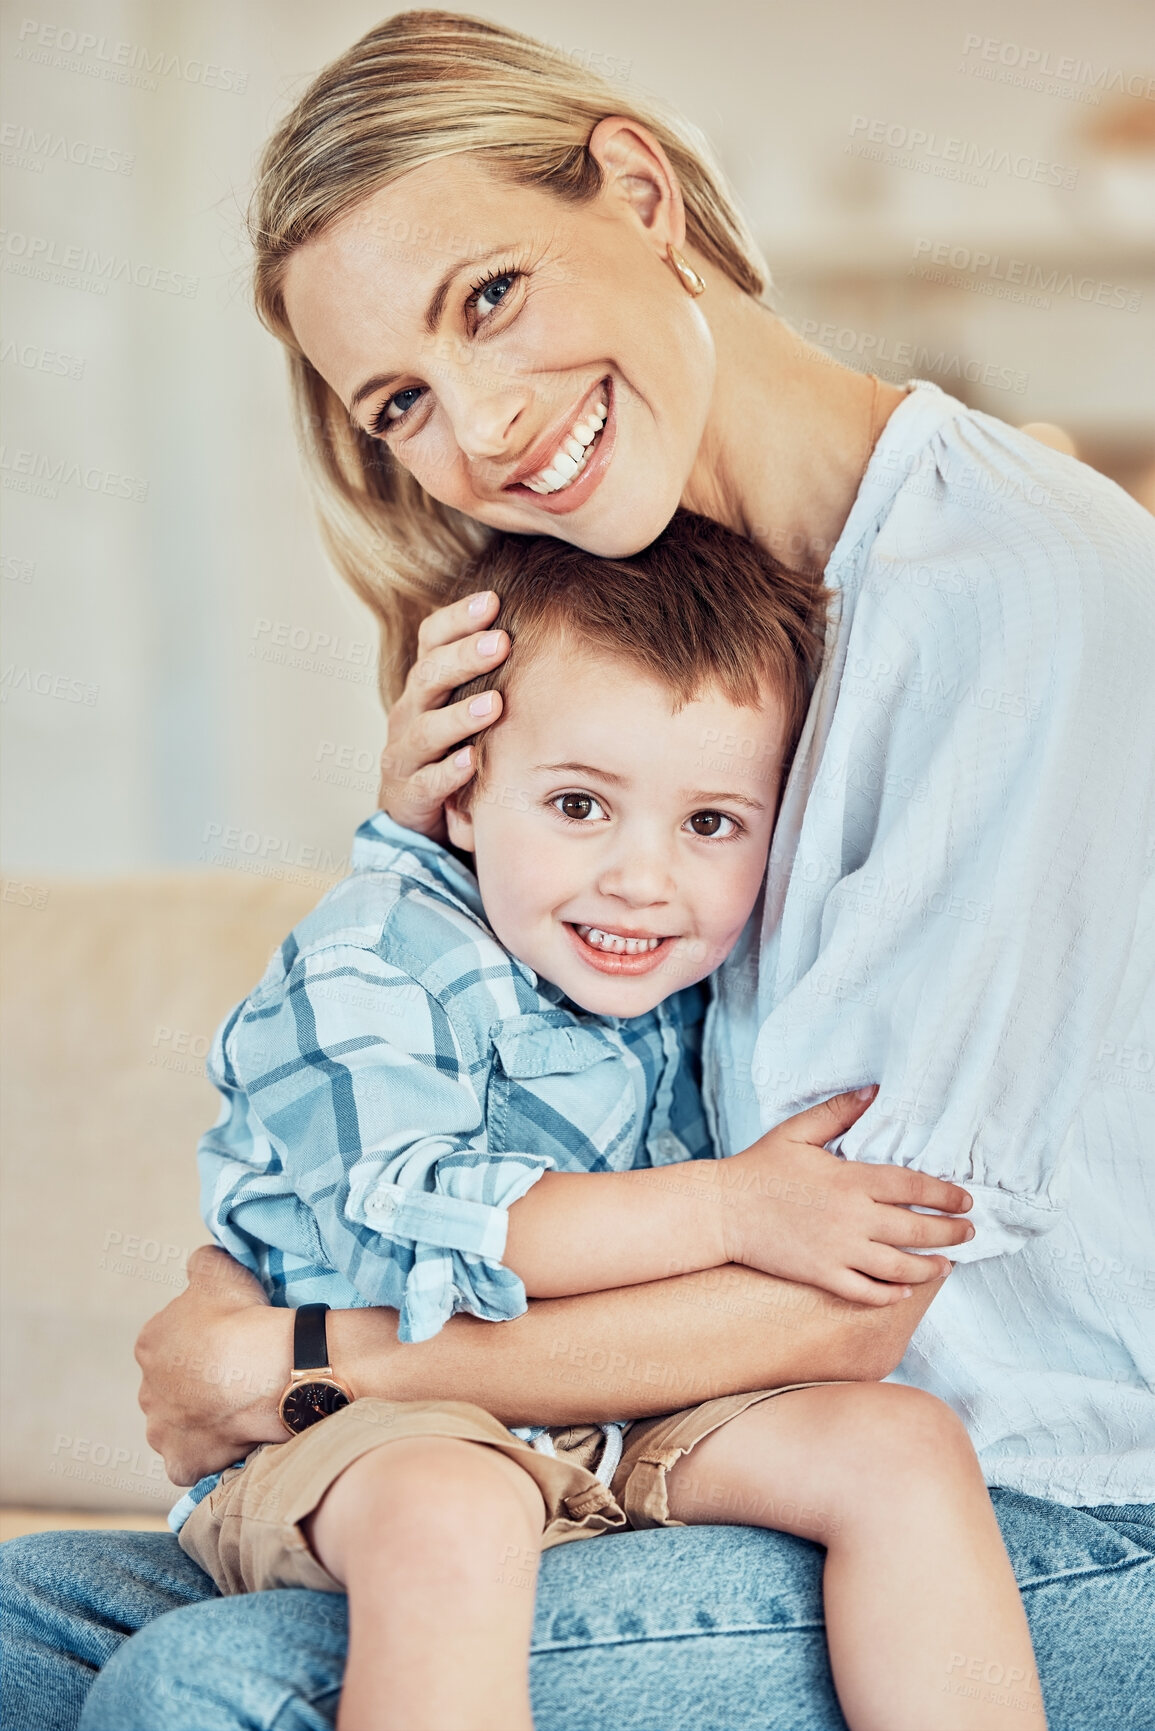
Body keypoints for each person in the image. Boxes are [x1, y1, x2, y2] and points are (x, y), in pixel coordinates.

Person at [2, 13, 1152, 1730]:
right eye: (400, 398)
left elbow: (849, 1308)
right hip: (663, 1458)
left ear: (634, 191)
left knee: (215, 1687)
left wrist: (305, 1360)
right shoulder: (643, 638)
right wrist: (425, 856)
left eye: (489, 297)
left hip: (1028, 1516)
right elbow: (436, 1088)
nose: (479, 420)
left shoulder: (1022, 597)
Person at [170, 512, 1036, 1731]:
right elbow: (438, 1223)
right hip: (374, 1431)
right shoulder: (375, 957)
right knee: (450, 1515)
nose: (645, 879)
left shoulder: (685, 987)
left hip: (623, 1415)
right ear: (458, 795)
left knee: (901, 1445)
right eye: (580, 806)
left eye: (710, 824)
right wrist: (735, 1205)